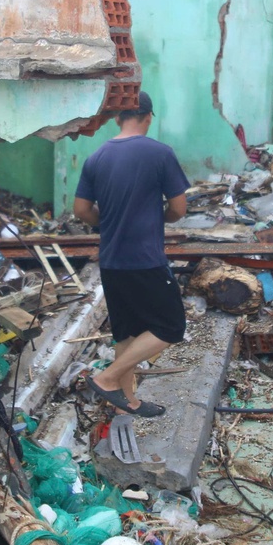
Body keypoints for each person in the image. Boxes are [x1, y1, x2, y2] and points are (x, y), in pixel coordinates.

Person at [73, 91, 190, 418]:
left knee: (126, 333)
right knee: (170, 327)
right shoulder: (159, 154)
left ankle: (127, 405)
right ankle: (107, 377)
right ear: (148, 117)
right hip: (145, 260)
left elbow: (81, 209)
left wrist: (106, 222)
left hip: (111, 262)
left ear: (118, 118)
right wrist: (160, 218)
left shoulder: (95, 158)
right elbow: (179, 209)